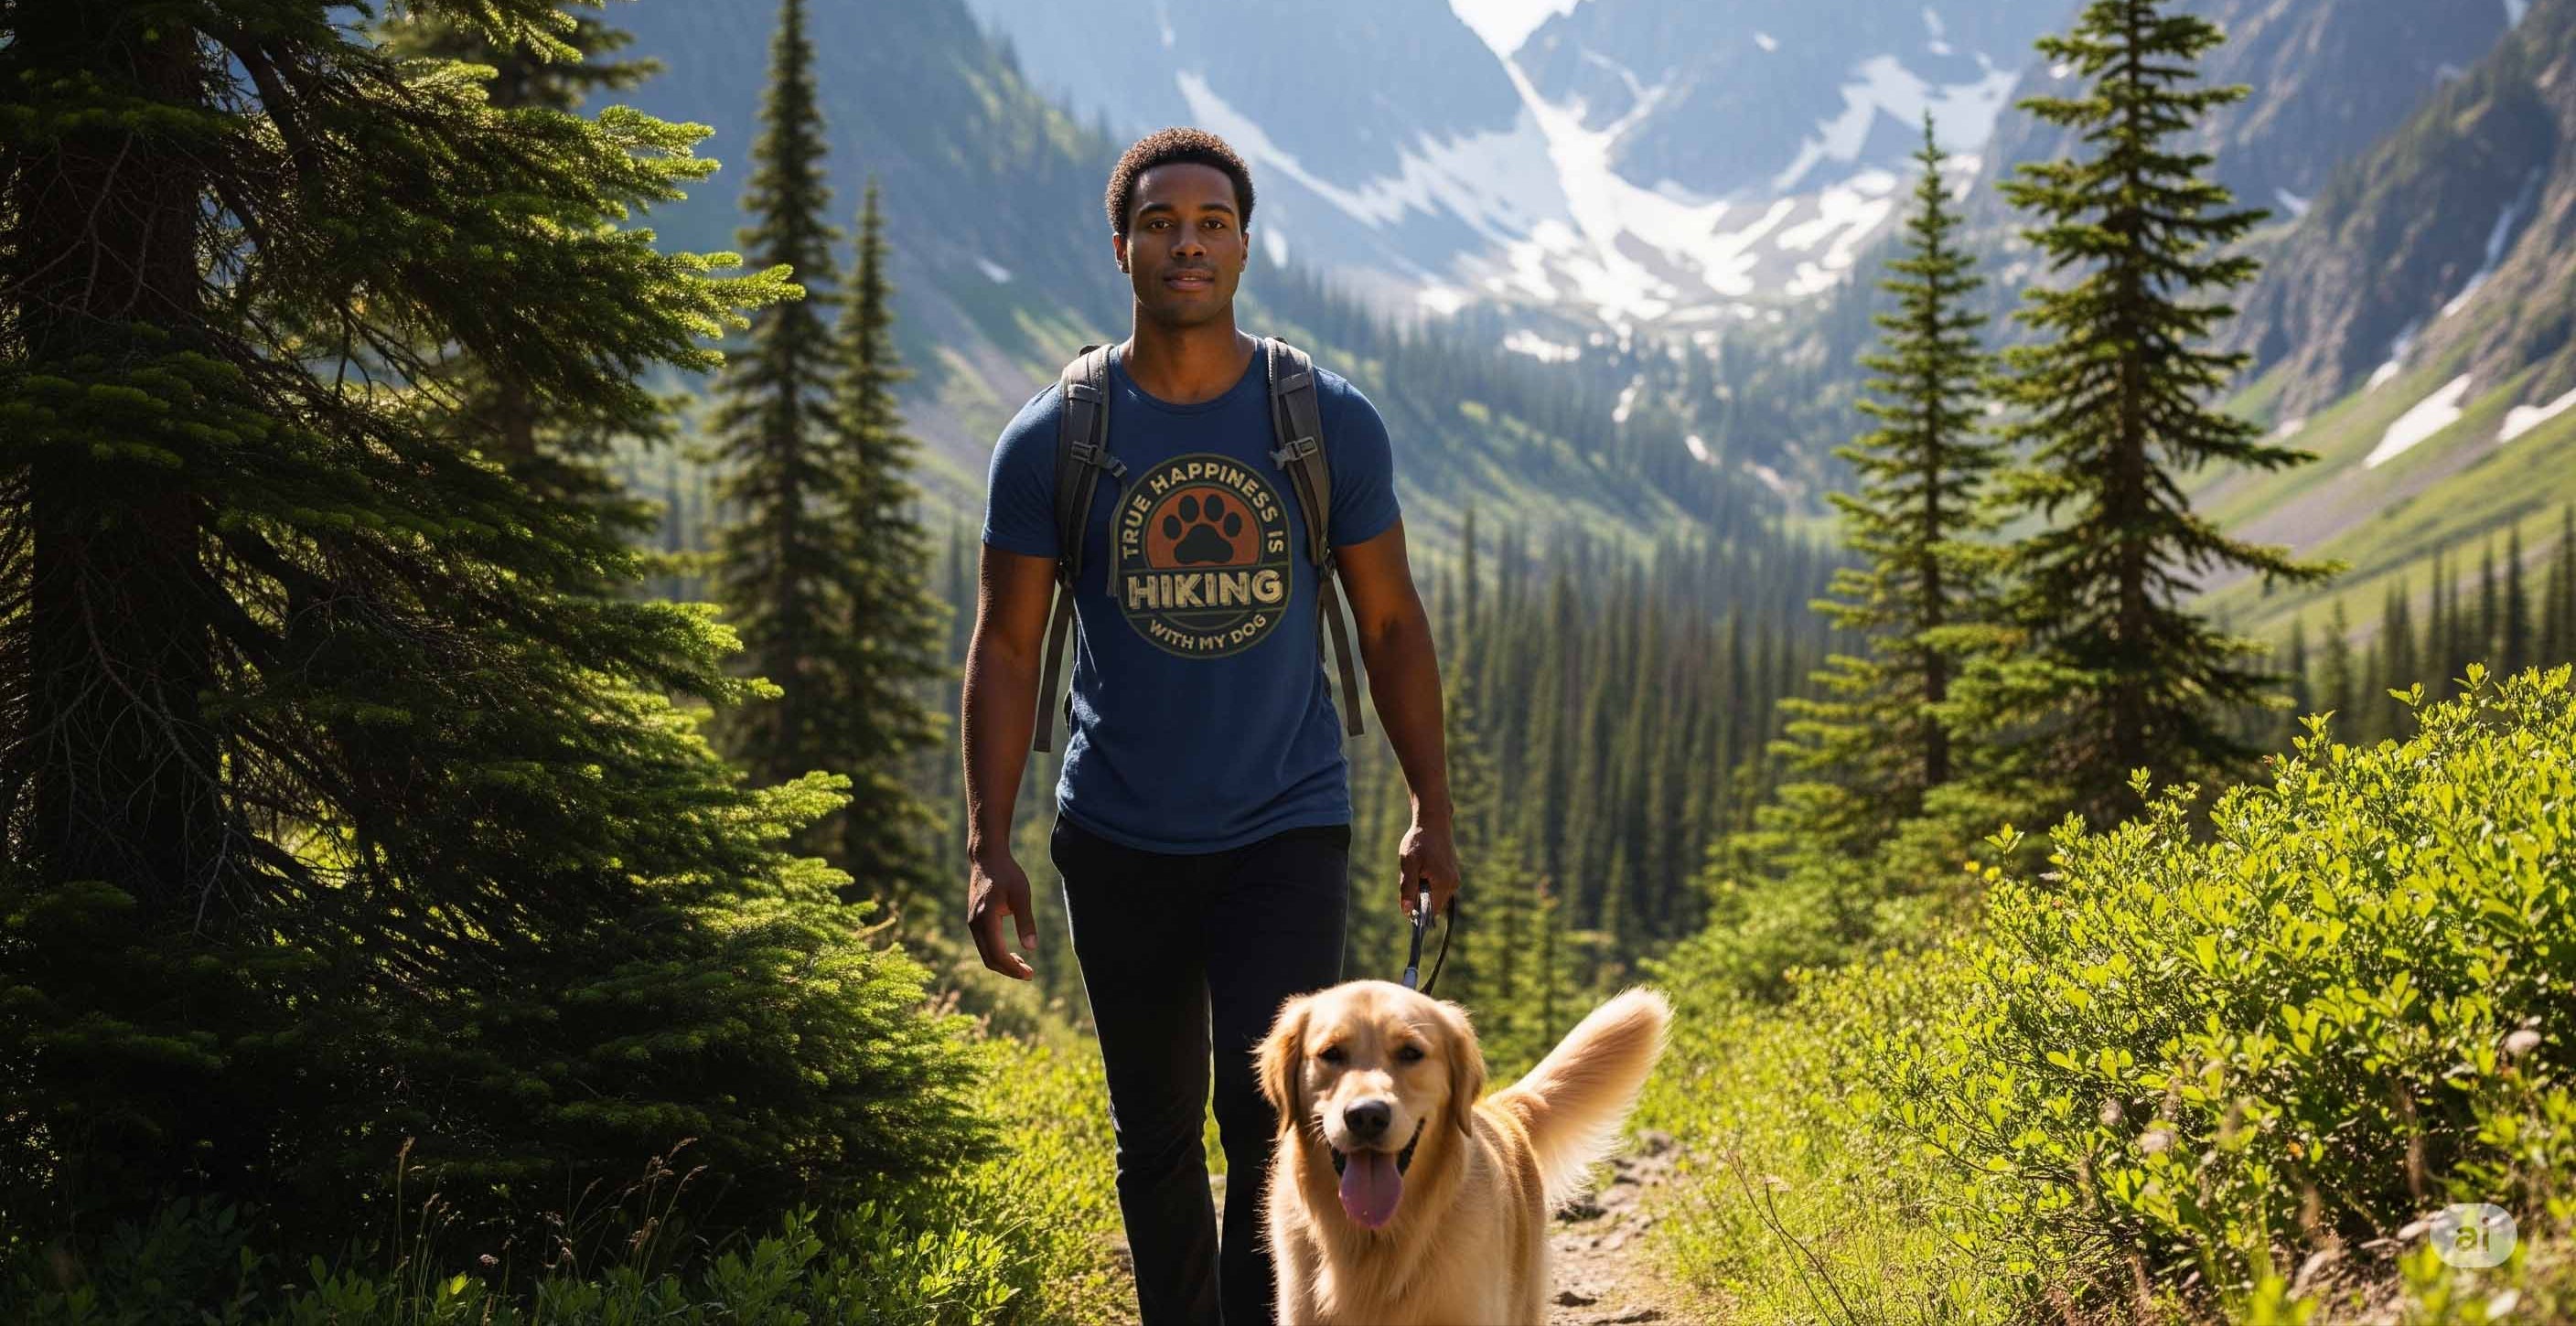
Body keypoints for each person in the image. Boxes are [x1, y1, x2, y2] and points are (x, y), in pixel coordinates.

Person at [957, 126, 1462, 1326]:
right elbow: (1007, 647)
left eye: (1211, 222)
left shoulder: (1322, 422)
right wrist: (988, 845)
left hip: (1285, 825)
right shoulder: (1056, 438)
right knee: (1153, 1135)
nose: (1187, 241)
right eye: (1162, 223)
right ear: (1123, 245)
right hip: (1116, 833)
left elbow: (1391, 627)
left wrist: (1431, 809)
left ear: (1242, 242)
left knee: (1275, 1116)